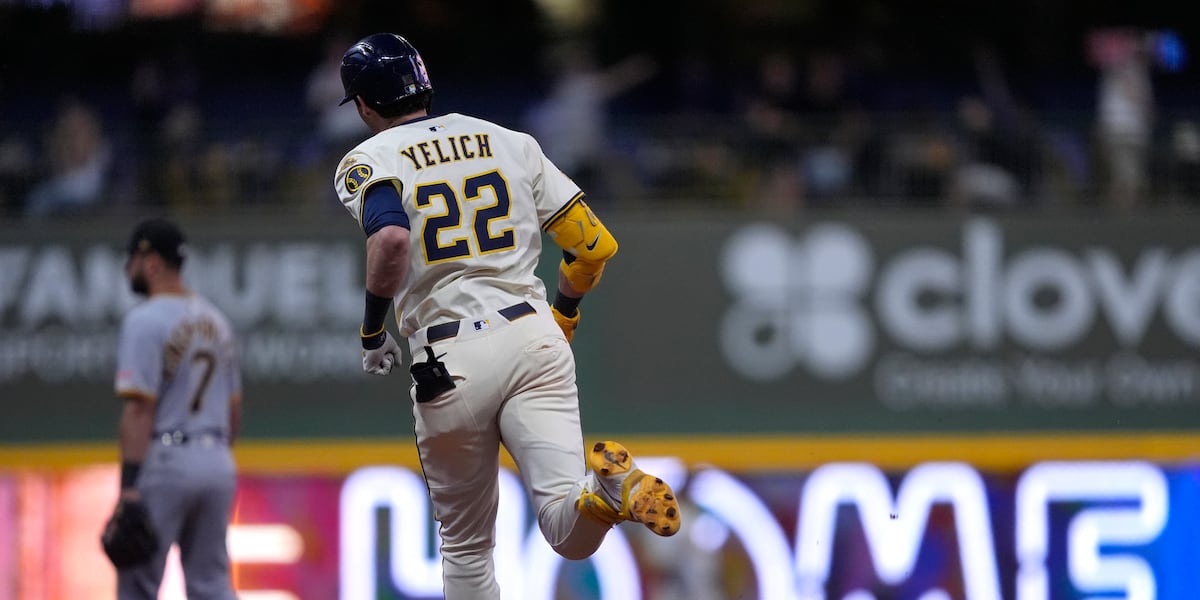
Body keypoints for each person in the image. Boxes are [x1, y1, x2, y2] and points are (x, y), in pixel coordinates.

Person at [331, 33, 680, 599]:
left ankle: (601, 495)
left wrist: (372, 330)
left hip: (451, 356)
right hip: (534, 332)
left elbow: (391, 237)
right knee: (567, 525)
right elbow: (594, 246)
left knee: (468, 549)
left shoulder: (369, 157)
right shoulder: (507, 141)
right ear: (425, 84)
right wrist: (564, 314)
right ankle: (607, 494)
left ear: (365, 106)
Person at [107, 218, 242, 599]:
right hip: (217, 460)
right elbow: (233, 411)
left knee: (138, 582)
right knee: (212, 582)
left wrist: (130, 489)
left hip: (166, 459)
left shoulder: (144, 320)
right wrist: (213, 458)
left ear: (151, 262)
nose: (127, 268)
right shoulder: (217, 320)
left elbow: (138, 410)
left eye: (131, 259)